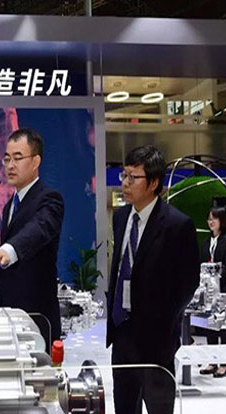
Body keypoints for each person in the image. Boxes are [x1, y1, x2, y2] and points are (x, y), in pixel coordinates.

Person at [106, 145, 199, 414]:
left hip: (156, 342)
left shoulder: (177, 225)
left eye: (133, 177)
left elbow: (188, 283)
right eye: (124, 175)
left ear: (154, 183)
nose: (125, 183)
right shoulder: (121, 217)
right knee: (125, 407)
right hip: (122, 334)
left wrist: (165, 321)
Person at [0, 128, 64, 350]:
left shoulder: (49, 199)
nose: (10, 165)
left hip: (36, 317)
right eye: (7, 159)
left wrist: (9, 250)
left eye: (17, 158)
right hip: (9, 317)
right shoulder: (10, 205)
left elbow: (39, 228)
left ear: (35, 161)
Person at [199, 205, 226, 378]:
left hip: (223, 289)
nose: (211, 222)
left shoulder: (225, 241)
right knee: (210, 326)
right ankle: (212, 361)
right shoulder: (206, 242)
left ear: (222, 221)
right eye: (209, 219)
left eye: (214, 218)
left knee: (223, 327)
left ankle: (223, 363)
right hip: (209, 290)